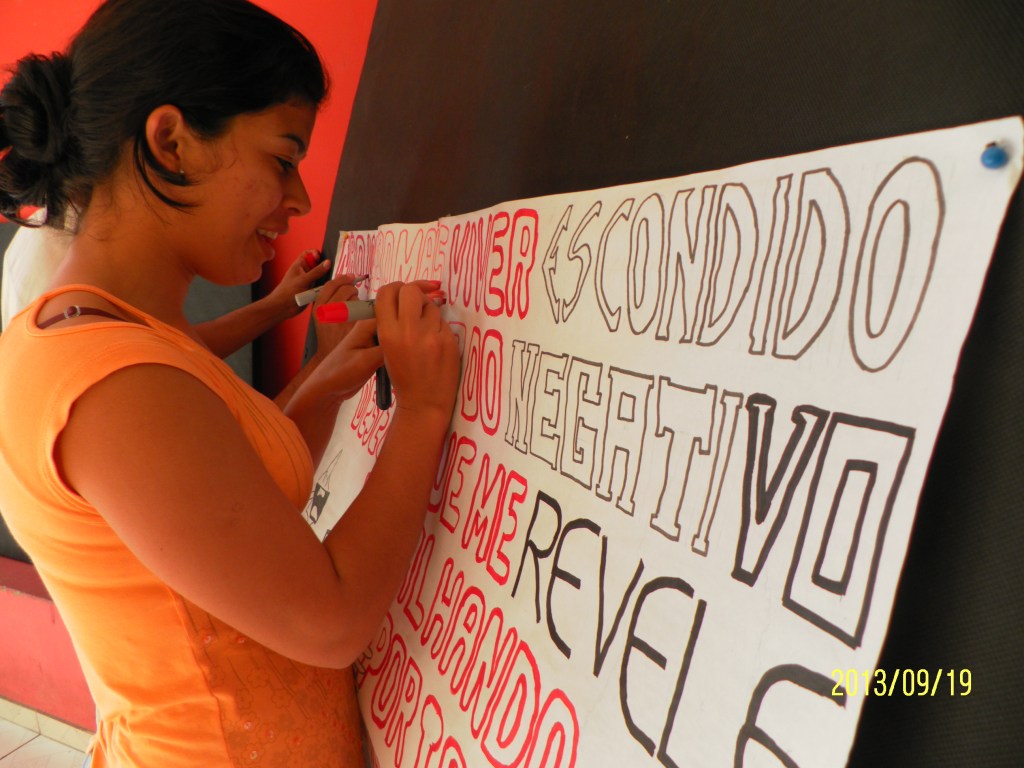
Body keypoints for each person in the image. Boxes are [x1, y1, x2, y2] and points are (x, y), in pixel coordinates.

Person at [0, 2, 460, 767]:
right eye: (283, 158)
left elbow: (232, 510)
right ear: (170, 142)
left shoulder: (100, 333)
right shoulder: (114, 384)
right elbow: (330, 620)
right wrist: (422, 409)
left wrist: (321, 386)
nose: (302, 200)